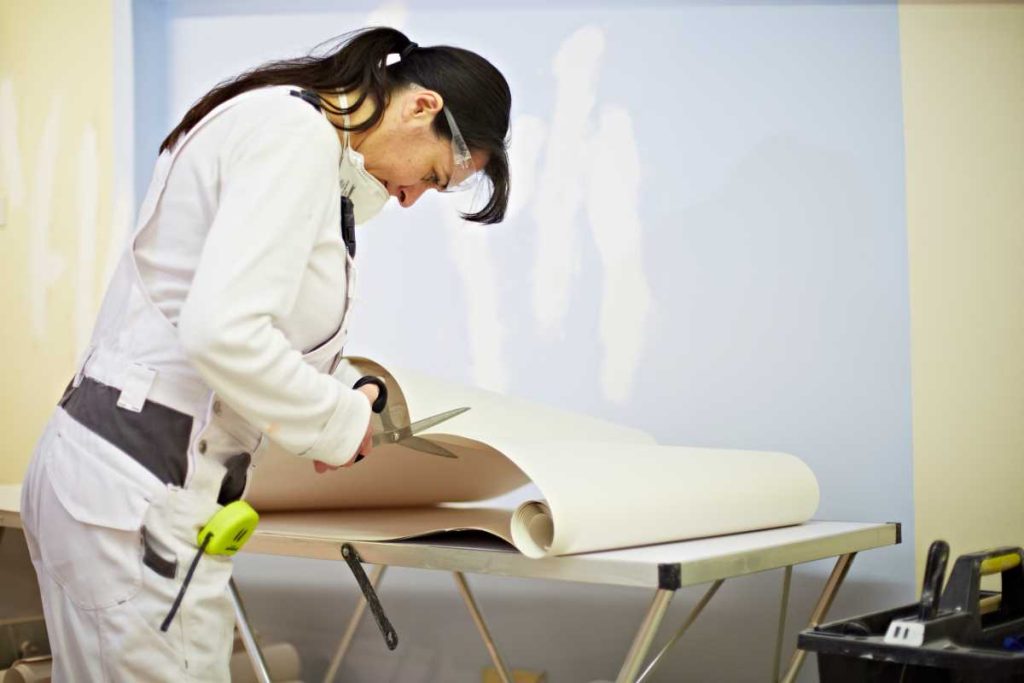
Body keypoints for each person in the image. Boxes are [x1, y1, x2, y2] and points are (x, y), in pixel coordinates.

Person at [19, 26, 511, 681]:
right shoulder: (292, 135)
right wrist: (337, 424)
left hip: (116, 477)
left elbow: (259, 331)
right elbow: (223, 333)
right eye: (433, 175)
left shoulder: (297, 142)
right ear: (422, 107)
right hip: (139, 486)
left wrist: (356, 393)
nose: (413, 196)